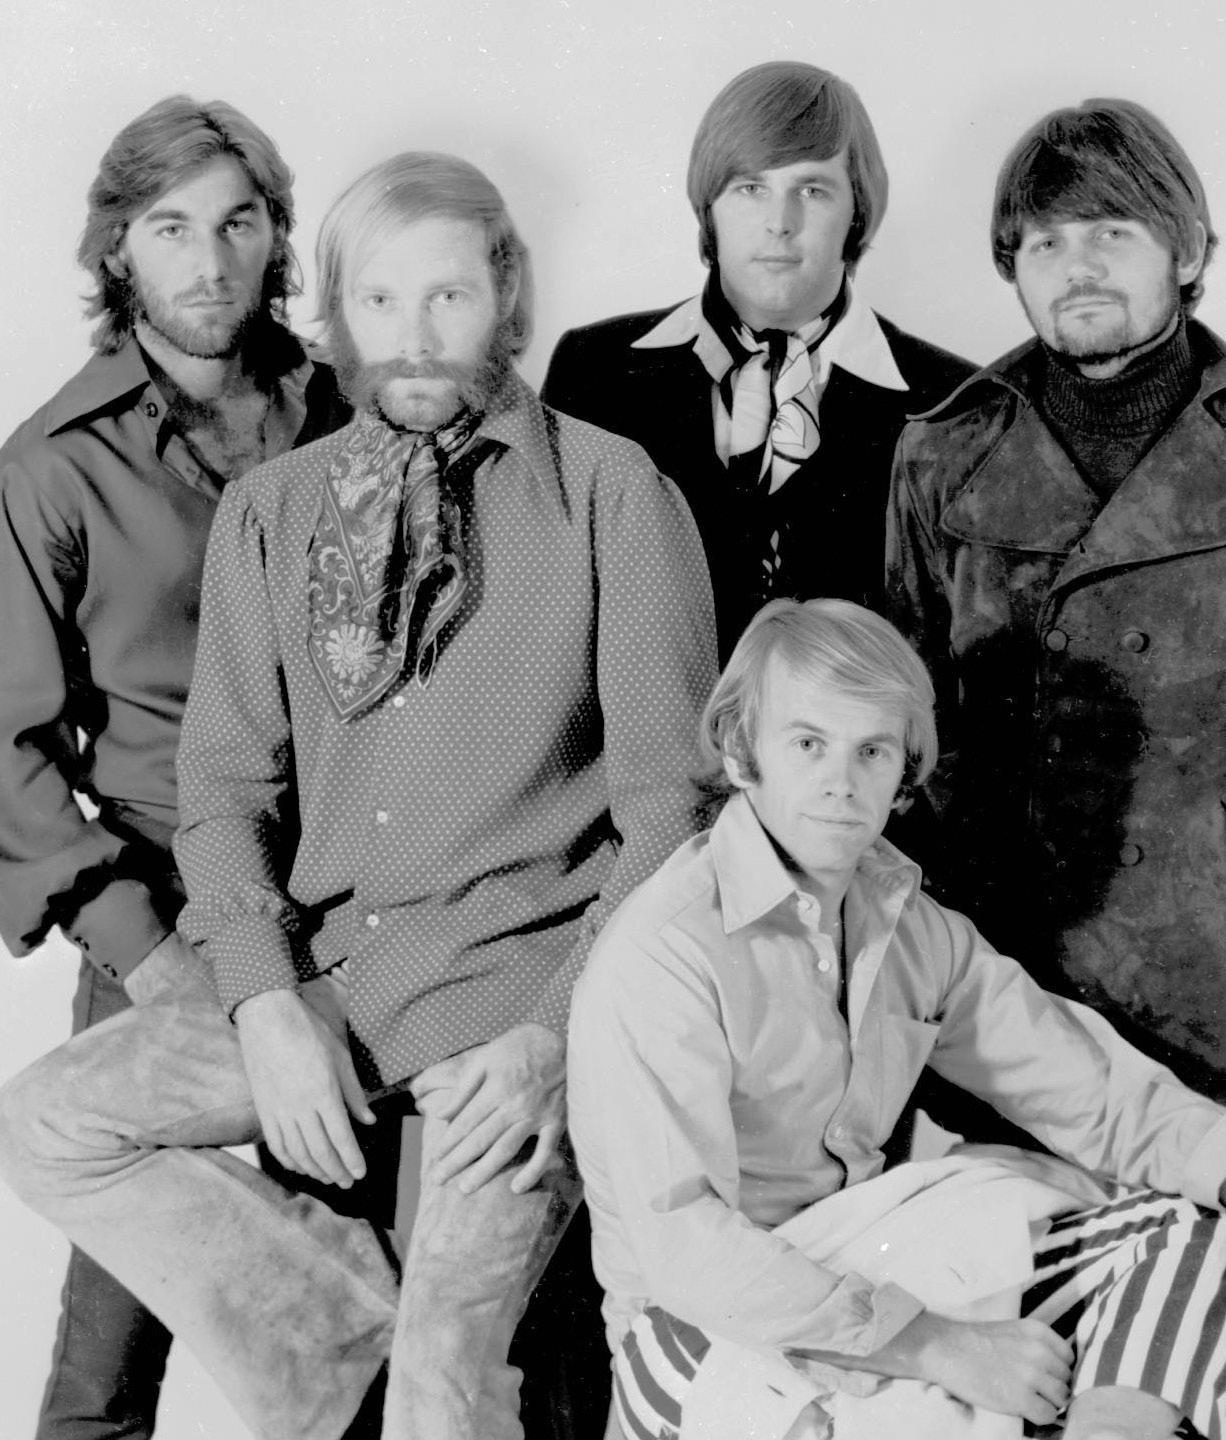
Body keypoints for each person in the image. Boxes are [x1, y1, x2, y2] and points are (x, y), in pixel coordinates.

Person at [0, 147, 716, 1440]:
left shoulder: (612, 493)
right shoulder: (273, 511)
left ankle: (410, 1379)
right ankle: (350, 1348)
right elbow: (223, 790)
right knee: (46, 1121)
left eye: (450, 296)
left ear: (508, 296)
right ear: (335, 314)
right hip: (335, 982)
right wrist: (266, 1003)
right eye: (381, 301)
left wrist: (556, 1041)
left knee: (445, 1403)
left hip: (511, 1003)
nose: (416, 336)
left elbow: (673, 817)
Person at [568, 597, 1226, 1440]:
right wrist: (940, 1347)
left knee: (1190, 1234)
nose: (841, 782)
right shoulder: (665, 953)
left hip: (861, 1263)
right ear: (744, 755)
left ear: (904, 772)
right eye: (808, 744)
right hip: (699, 1331)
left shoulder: (909, 927)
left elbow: (1097, 1096)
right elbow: (687, 1250)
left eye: (872, 751)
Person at [0, 94, 350, 1440]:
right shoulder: (49, 468)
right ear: (117, 249)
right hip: (162, 912)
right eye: (169, 228)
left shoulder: (351, 412)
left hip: (354, 905)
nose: (209, 263)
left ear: (277, 237)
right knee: (111, 1348)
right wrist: (139, 952)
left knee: (358, 1305)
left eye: (238, 223)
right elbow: (6, 748)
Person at [886, 98, 1226, 1130]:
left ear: (1185, 249)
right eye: (1045, 242)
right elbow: (907, 718)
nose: (1075, 267)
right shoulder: (942, 453)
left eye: (1110, 232)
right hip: (1007, 986)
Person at [542, 60, 974, 664]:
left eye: (812, 190)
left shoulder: (954, 399)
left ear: (856, 212)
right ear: (709, 208)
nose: (779, 223)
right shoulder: (594, 369)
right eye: (750, 189)